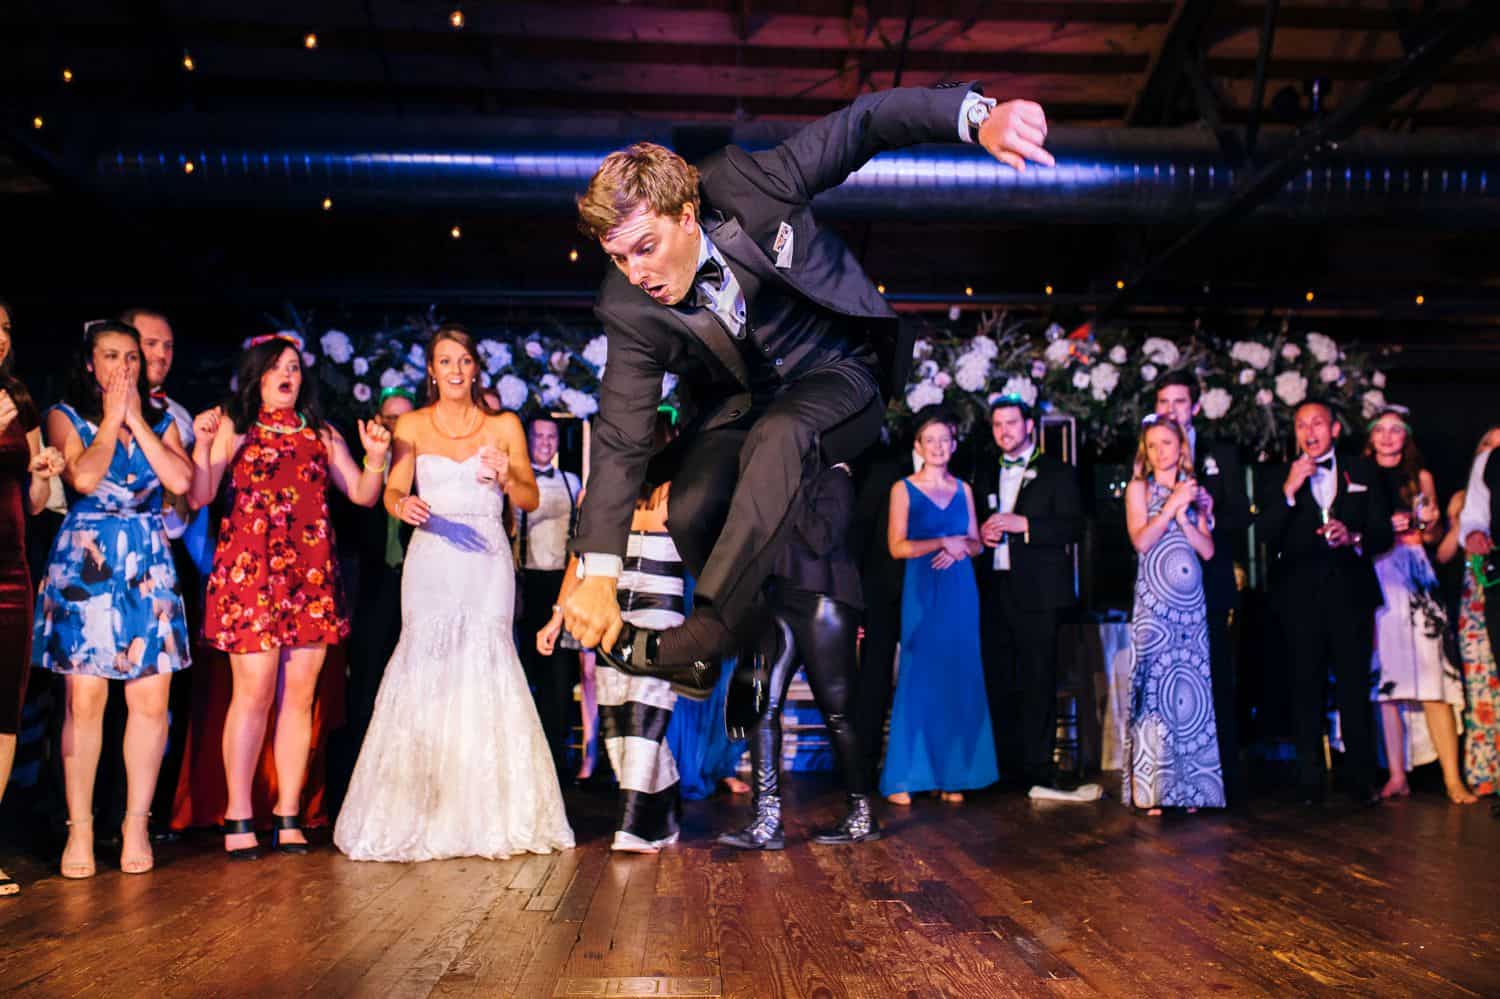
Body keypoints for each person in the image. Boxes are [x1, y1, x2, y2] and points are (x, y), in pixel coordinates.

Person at [561, 84, 1055, 688]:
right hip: (741, 402)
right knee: (689, 509)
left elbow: (865, 123)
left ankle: (708, 629)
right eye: (619, 258)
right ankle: (744, 639)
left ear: (686, 217)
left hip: (838, 372)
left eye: (645, 248)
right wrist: (601, 575)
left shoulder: (752, 184)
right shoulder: (628, 307)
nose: (637, 274)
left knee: (784, 432)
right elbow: (620, 434)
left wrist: (976, 118)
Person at [336, 328, 571, 861]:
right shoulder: (414, 425)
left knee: (488, 661)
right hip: (434, 553)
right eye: (446, 361)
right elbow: (392, 490)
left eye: (464, 360)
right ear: (432, 371)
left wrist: (507, 473)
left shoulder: (504, 425)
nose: (457, 370)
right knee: (428, 664)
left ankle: (493, 812)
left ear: (474, 368)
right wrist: (402, 507)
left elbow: (531, 497)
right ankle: (421, 809)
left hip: (487, 554)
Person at [190, 332, 390, 858]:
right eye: (277, 366)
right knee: (252, 694)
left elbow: (364, 495)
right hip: (251, 574)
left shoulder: (321, 434)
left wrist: (375, 457)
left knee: (300, 699)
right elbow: (201, 493)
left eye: (295, 367)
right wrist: (202, 442)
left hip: (310, 577)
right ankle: (238, 814)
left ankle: (288, 813)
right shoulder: (235, 426)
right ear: (255, 375)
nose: (287, 375)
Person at [33, 319, 194, 878]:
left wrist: (137, 422)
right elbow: (82, 477)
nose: (123, 367)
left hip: (146, 561)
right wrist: (110, 420)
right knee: (85, 702)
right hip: (89, 561)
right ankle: (79, 830)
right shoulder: (64, 415)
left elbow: (180, 481)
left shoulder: (164, 421)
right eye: (110, 357)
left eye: (131, 357)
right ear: (89, 364)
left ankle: (134, 824)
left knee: (150, 702)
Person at [717, 462, 879, 848]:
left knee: (837, 713)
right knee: (763, 705)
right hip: (780, 601)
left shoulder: (835, 478)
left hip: (825, 601)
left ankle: (861, 814)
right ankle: (766, 818)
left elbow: (821, 539)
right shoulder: (772, 479)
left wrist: (787, 489)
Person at [1257, 399, 1393, 806]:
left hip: (1350, 595)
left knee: (1354, 687)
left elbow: (1383, 533)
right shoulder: (1279, 474)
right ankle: (1309, 781)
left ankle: (1359, 780)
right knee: (1305, 687)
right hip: (1299, 598)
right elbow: (1265, 534)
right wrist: (1289, 489)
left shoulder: (1363, 470)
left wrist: (1353, 537)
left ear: (1334, 429)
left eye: (1317, 423)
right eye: (1301, 425)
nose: (1309, 431)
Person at [540, 468, 683, 853]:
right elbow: (579, 562)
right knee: (617, 722)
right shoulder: (600, 492)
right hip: (612, 615)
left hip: (660, 612)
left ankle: (631, 827)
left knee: (643, 715)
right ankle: (666, 815)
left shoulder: (678, 489)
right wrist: (558, 615)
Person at [881, 412, 997, 804]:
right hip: (923, 589)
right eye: (929, 440)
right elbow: (897, 547)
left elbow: (977, 543)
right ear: (918, 446)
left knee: (958, 677)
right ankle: (906, 777)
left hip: (961, 591)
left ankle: (953, 775)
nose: (937, 446)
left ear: (953, 444)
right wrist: (941, 542)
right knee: (919, 678)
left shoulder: (964, 489)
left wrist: (964, 546)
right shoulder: (903, 489)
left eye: (944, 439)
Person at [973, 397, 1082, 789]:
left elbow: (1073, 528)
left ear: (1029, 426)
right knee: (999, 679)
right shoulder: (983, 471)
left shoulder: (1058, 472)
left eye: (1012, 423)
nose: (1005, 431)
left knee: (1038, 679)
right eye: (998, 424)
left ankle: (1037, 767)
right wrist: (981, 535)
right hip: (995, 588)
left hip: (1038, 593)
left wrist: (1026, 524)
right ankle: (1002, 767)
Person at [1365, 406, 1471, 803]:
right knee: (1387, 683)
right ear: (1371, 436)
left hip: (1416, 575)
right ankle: (1396, 775)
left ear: (1405, 436)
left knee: (1433, 679)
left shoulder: (1419, 477)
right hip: (1378, 572)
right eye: (1382, 429)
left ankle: (1451, 778)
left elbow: (1435, 536)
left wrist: (1429, 523)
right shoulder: (1358, 474)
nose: (1389, 436)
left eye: (1397, 429)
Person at [1154, 371, 1251, 804]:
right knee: (1168, 681)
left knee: (1215, 675)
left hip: (1208, 580)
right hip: (1162, 584)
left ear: (1194, 407)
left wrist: (1210, 512)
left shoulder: (1220, 454)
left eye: (1178, 402)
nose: (1169, 410)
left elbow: (1242, 518)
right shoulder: (1146, 454)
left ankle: (1221, 778)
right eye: (1163, 401)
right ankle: (1166, 780)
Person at [1122, 416, 1223, 814]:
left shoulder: (1195, 492)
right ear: (1145, 453)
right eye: (1152, 445)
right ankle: (1154, 789)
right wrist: (1169, 508)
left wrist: (1185, 513)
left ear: (1182, 447)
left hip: (1190, 606)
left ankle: (1191, 788)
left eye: (1167, 443)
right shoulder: (1139, 489)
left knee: (1190, 691)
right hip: (1155, 602)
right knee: (1155, 689)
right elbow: (1142, 540)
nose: (1161, 451)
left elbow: (1208, 550)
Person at [0, 300, 65, 893]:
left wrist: (44, 471)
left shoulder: (19, 403)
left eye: (3, 329)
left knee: (3, 712)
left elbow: (41, 503)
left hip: (11, 571)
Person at [333, 385, 417, 806]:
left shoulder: (423, 470)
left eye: (404, 418)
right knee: (365, 683)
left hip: (414, 585)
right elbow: (349, 519)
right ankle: (357, 782)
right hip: (369, 585)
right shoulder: (366, 467)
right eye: (389, 418)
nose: (395, 426)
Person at [516, 415, 584, 781]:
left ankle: (556, 760)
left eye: (551, 436)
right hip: (524, 583)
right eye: (538, 436)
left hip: (561, 585)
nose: (545, 442)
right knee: (526, 672)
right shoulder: (514, 481)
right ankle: (526, 758)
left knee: (559, 677)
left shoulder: (571, 482)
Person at [847, 429, 910, 788]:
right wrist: (856, 604)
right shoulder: (882, 468)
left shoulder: (957, 478)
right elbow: (858, 533)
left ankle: (922, 769)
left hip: (930, 592)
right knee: (873, 682)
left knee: (926, 680)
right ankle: (863, 771)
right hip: (880, 593)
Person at [1440, 427, 1500, 796]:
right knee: (1482, 687)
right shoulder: (1469, 496)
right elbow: (1446, 552)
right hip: (1478, 596)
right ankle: (1484, 770)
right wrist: (1466, 529)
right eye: (1490, 443)